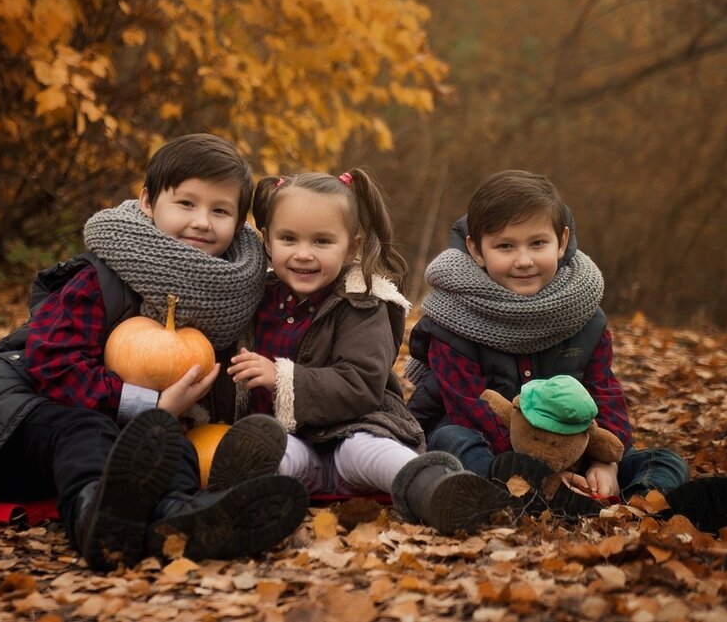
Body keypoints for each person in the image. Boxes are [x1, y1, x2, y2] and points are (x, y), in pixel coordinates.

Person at [0, 134, 309, 571]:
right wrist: (151, 405)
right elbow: (53, 367)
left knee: (165, 440)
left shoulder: (230, 295)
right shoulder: (101, 277)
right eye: (186, 204)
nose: (203, 222)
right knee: (89, 431)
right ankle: (96, 521)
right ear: (149, 202)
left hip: (127, 437)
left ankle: (181, 518)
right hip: (14, 425)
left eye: (220, 210)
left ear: (239, 222)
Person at [406, 169, 727, 532]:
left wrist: (607, 463)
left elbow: (604, 390)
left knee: (662, 460)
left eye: (537, 243)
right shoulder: (453, 319)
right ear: (476, 249)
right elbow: (467, 405)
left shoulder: (584, 317)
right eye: (505, 246)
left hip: (575, 445)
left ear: (561, 240)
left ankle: (651, 508)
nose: (523, 260)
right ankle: (524, 496)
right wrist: (546, 472)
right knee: (450, 440)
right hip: (493, 446)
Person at [212, 169, 514, 535]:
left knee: (372, 453)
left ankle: (438, 490)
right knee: (265, 453)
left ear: (352, 247)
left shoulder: (363, 301)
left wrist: (282, 377)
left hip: (354, 429)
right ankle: (251, 510)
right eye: (288, 238)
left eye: (322, 242)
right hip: (289, 440)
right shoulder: (256, 296)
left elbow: (362, 384)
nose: (303, 254)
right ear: (267, 240)